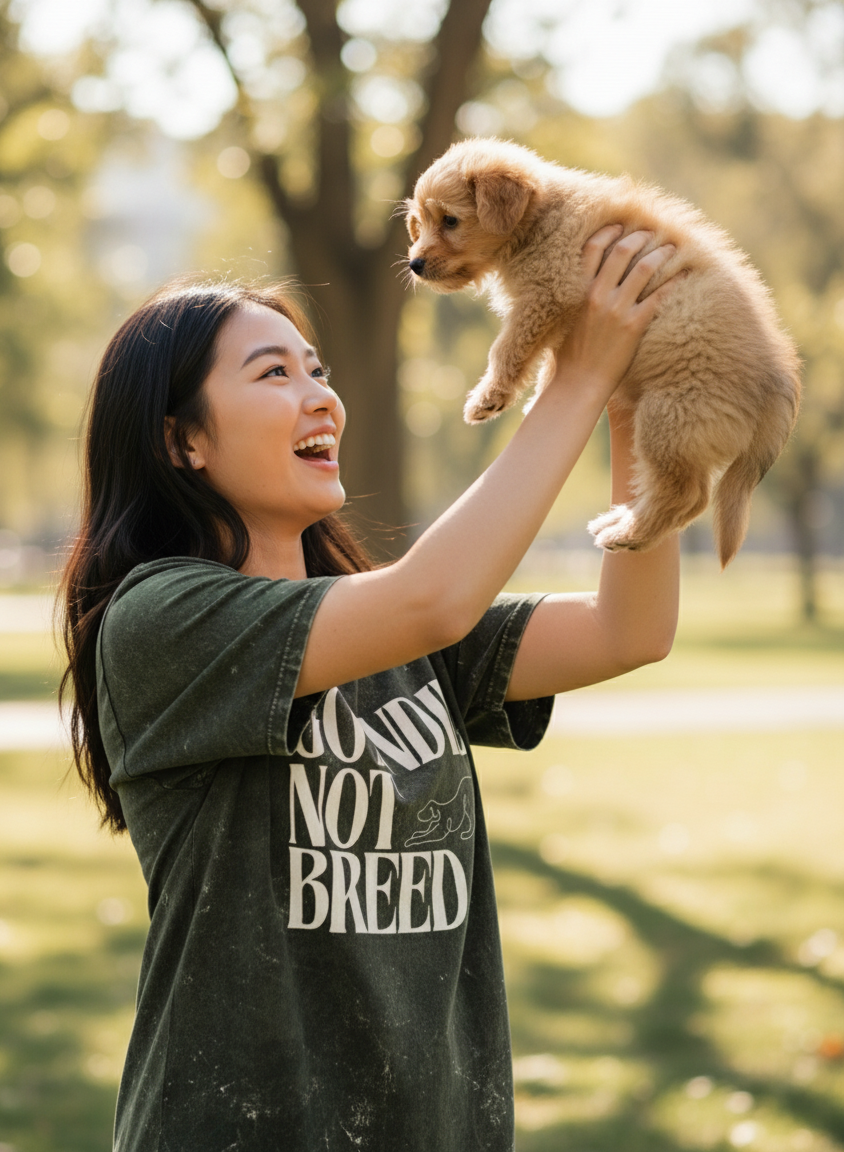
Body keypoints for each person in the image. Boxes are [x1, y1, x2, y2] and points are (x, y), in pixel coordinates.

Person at [59, 226, 680, 1151]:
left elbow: (629, 631)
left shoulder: (385, 626)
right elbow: (432, 598)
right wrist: (575, 381)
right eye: (274, 375)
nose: (322, 399)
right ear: (182, 439)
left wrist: (634, 409)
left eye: (318, 371)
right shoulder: (160, 620)